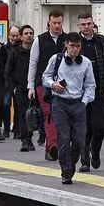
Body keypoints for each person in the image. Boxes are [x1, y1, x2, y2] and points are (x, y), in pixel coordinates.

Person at [43, 32, 96, 185]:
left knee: (79, 139)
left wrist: (84, 102)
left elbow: (90, 85)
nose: (74, 49)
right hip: (60, 103)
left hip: (78, 103)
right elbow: (45, 77)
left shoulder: (86, 63)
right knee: (64, 138)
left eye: (78, 46)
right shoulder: (56, 59)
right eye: (72, 46)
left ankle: (71, 164)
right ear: (66, 44)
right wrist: (54, 84)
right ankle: (66, 171)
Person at [76, 12, 104, 173]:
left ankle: (96, 151)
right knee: (83, 127)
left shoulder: (102, 41)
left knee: (99, 126)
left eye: (89, 24)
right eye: (83, 24)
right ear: (79, 26)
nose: (86, 27)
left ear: (93, 24)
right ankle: (84, 159)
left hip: (99, 89)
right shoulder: (74, 41)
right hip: (79, 92)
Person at [28, 12, 67, 159]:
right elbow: (33, 63)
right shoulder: (39, 40)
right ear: (49, 23)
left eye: (59, 23)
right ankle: (52, 146)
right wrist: (30, 86)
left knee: (60, 115)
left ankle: (52, 148)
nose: (57, 26)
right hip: (42, 83)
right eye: (54, 23)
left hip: (63, 84)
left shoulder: (67, 39)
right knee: (48, 113)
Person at [6, 25, 37, 152]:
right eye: (26, 33)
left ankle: (30, 137)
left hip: (34, 86)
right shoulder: (15, 51)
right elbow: (8, 71)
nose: (29, 35)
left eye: (31, 33)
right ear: (21, 36)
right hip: (20, 87)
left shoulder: (36, 50)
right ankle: (24, 139)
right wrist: (12, 87)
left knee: (33, 114)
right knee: (22, 113)